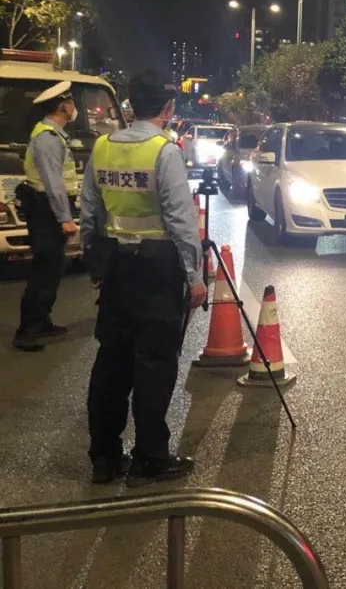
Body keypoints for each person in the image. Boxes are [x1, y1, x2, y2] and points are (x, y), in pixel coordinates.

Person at [80, 70, 207, 486]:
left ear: (131, 105)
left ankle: (104, 457)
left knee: (111, 363)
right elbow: (181, 221)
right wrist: (194, 277)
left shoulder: (102, 146)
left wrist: (96, 265)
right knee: (154, 365)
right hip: (156, 269)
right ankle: (150, 457)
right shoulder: (164, 151)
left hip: (116, 269)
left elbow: (90, 213)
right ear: (168, 108)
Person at [14, 81, 80, 352]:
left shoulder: (54, 135)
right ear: (63, 106)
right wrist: (65, 218)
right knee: (44, 271)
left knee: (51, 269)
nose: (75, 107)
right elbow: (53, 184)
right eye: (72, 103)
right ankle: (28, 332)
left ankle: (42, 322)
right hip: (46, 211)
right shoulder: (48, 139)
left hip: (46, 208)